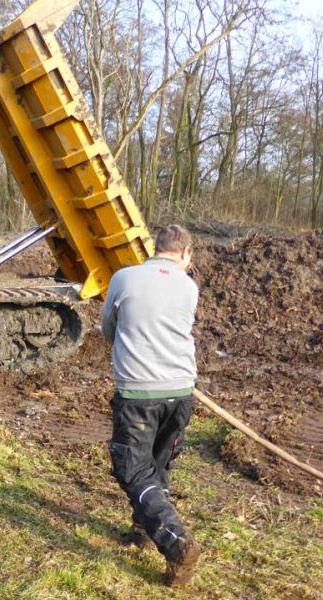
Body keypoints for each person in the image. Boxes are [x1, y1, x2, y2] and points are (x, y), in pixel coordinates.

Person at [101, 224, 202, 587]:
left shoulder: (123, 278)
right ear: (186, 253)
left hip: (138, 393)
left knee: (132, 468)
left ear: (154, 248)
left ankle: (175, 541)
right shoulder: (189, 287)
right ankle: (142, 530)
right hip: (180, 392)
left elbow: (108, 328)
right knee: (157, 465)